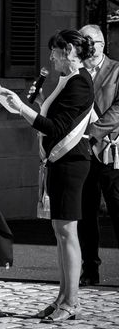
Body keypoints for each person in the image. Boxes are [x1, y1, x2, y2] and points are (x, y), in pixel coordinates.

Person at [0, 29, 95, 322]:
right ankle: (62, 298)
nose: (51, 57)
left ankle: (73, 301)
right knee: (60, 232)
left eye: (54, 51)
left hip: (71, 163)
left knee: (68, 232)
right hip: (61, 163)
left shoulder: (79, 83)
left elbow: (55, 128)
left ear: (67, 50)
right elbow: (50, 119)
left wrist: (21, 108)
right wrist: (32, 104)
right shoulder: (68, 80)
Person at [78, 24, 119, 286]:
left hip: (110, 151)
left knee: (117, 209)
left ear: (102, 44)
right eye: (82, 41)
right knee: (86, 213)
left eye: (90, 41)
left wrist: (93, 132)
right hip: (83, 153)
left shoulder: (117, 70)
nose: (86, 46)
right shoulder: (76, 73)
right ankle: (90, 269)